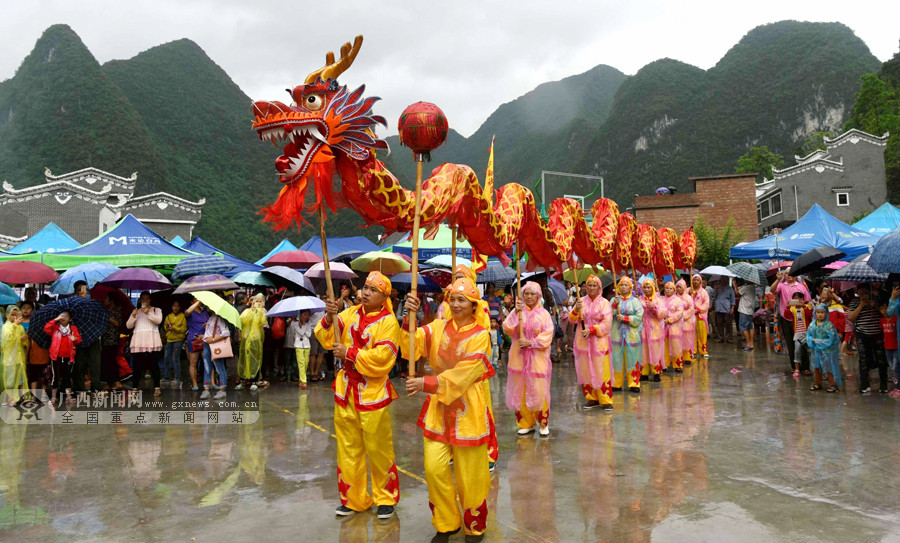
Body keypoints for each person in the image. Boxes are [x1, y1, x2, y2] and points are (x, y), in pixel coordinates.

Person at [403, 278, 494, 542]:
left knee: (471, 476)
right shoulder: (438, 327)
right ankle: (446, 522)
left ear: (473, 304)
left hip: (468, 410)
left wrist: (426, 383)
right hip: (438, 410)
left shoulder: (481, 335)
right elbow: (412, 346)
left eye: (461, 299)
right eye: (452, 298)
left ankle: (474, 524)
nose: (455, 304)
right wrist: (409, 317)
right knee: (434, 468)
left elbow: (465, 374)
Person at [315, 271, 401, 519]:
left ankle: (385, 498)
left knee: (378, 449)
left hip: (372, 394)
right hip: (346, 391)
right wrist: (331, 314)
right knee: (348, 449)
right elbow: (326, 336)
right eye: (365, 287)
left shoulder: (388, 322)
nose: (366, 292)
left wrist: (350, 353)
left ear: (384, 296)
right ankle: (354, 499)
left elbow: (384, 359)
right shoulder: (350, 313)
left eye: (373, 290)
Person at [504, 281, 554, 436]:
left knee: (539, 390)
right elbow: (507, 328)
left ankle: (543, 422)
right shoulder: (518, 312)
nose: (529, 297)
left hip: (537, 359)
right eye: (526, 293)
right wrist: (514, 313)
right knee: (521, 391)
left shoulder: (544, 314)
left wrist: (531, 342)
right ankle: (526, 422)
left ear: (538, 296)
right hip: (518, 358)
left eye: (533, 294)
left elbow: (547, 336)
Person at [569, 274, 614, 410]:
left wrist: (593, 330)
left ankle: (605, 399)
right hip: (583, 341)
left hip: (599, 342)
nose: (592, 288)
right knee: (586, 370)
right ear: (585, 287)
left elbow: (607, 323)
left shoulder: (604, 303)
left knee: (601, 371)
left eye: (595, 285)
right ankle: (591, 398)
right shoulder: (580, 301)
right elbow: (572, 319)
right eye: (589, 285)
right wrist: (576, 309)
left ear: (599, 288)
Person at [770, 271, 811, 373]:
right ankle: (794, 366)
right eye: (787, 273)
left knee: (804, 342)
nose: (789, 276)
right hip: (786, 318)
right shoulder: (781, 285)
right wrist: (778, 279)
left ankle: (806, 367)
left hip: (801, 318)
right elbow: (772, 290)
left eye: (791, 273)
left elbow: (808, 301)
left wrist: (802, 305)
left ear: (796, 275)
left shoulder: (801, 286)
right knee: (790, 343)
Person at [849, 284, 887, 393]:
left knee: (881, 360)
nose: (863, 295)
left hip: (877, 334)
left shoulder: (877, 299)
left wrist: (875, 305)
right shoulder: (855, 302)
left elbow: (885, 313)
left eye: (865, 292)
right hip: (862, 335)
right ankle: (864, 384)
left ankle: (883, 385)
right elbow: (851, 317)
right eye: (860, 293)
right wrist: (861, 305)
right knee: (863, 360)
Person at [127, 291, 163, 397]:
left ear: (150, 300)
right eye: (142, 298)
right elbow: (128, 326)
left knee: (154, 365)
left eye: (147, 298)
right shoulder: (136, 311)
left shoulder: (156, 310)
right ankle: (135, 388)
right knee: (137, 366)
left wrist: (148, 313)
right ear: (140, 300)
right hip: (139, 340)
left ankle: (157, 387)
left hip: (152, 340)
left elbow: (158, 320)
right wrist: (133, 316)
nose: (145, 300)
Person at [611, 277, 644, 393]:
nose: (623, 287)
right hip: (617, 335)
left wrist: (625, 318)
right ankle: (617, 383)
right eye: (621, 285)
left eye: (626, 285)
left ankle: (634, 383)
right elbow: (608, 314)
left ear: (630, 287)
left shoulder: (635, 301)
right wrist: (615, 306)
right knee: (617, 360)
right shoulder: (614, 300)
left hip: (632, 335)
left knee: (632, 359)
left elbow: (639, 317)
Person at [45, 310, 81, 405]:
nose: (63, 317)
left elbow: (79, 340)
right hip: (55, 357)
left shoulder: (73, 329)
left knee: (67, 377)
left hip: (69, 357)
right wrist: (55, 319)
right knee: (55, 377)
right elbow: (46, 328)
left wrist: (75, 339)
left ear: (70, 319)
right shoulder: (55, 328)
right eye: (61, 316)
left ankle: (68, 396)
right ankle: (53, 397)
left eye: (66, 316)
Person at [72, 280, 103, 392]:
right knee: (80, 364)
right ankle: (79, 387)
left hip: (93, 337)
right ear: (76, 291)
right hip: (79, 338)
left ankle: (96, 386)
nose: (84, 292)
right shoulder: (73, 305)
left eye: (85, 289)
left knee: (95, 363)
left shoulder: (93, 304)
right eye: (81, 290)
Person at [806, 304, 842, 393]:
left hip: (828, 351)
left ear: (826, 313)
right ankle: (818, 383)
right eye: (818, 312)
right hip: (816, 351)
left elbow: (832, 339)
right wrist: (813, 341)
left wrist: (817, 341)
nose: (820, 315)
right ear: (815, 313)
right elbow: (808, 337)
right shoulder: (812, 325)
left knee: (829, 367)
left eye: (822, 312)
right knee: (816, 367)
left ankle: (833, 385)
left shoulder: (829, 325)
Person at [237, 294, 267, 390]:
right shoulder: (247, 311)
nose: (258, 303)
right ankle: (243, 380)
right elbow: (241, 320)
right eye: (256, 301)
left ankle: (254, 381)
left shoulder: (263, 312)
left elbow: (262, 322)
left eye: (260, 301)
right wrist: (250, 308)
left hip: (256, 340)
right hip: (245, 339)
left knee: (255, 360)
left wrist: (260, 310)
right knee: (244, 359)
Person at [640, 279, 667, 382]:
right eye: (645, 287)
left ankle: (656, 372)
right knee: (644, 351)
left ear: (653, 288)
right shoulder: (639, 299)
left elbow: (664, 312)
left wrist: (654, 307)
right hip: (643, 328)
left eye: (649, 287)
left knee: (655, 350)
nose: (647, 289)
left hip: (655, 328)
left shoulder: (658, 300)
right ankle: (644, 372)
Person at [201, 308, 231, 400]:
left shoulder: (219, 318)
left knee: (219, 368)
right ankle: (206, 389)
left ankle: (222, 390)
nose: (207, 307)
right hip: (207, 344)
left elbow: (226, 333)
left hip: (215, 345)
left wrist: (212, 339)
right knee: (207, 367)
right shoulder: (211, 318)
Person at [1, 306, 29, 405]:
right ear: (6, 315)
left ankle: (23, 398)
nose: (14, 317)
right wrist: (14, 326)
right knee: (10, 381)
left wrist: (24, 339)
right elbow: (7, 339)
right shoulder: (6, 327)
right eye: (12, 315)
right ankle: (10, 399)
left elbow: (24, 344)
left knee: (21, 379)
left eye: (16, 315)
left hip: (19, 358)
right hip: (9, 358)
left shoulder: (20, 327)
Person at [185, 298, 209, 391]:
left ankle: (210, 383)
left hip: (204, 338)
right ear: (192, 302)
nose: (199, 301)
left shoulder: (204, 312)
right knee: (193, 363)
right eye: (196, 300)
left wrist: (207, 324)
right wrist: (197, 303)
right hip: (193, 339)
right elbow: (187, 312)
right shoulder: (190, 311)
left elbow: (209, 322)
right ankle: (194, 383)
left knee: (207, 362)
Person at [100, 294, 124, 390]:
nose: (105, 299)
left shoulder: (117, 310)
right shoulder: (106, 310)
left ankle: (116, 381)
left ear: (111, 300)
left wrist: (107, 318)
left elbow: (118, 323)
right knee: (106, 360)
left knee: (112, 359)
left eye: (106, 298)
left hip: (113, 338)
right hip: (105, 338)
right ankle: (109, 382)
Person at [162, 300, 187, 388]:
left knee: (176, 358)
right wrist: (168, 326)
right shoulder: (168, 316)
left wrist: (175, 328)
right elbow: (165, 327)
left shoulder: (183, 316)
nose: (175, 308)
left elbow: (184, 329)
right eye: (174, 306)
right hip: (169, 339)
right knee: (166, 358)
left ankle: (177, 378)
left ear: (180, 308)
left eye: (177, 306)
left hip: (178, 339)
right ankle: (166, 377)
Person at [662, 281, 685, 373]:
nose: (668, 290)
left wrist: (670, 320)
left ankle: (678, 365)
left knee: (676, 346)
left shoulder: (678, 300)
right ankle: (665, 364)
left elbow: (679, 313)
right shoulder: (661, 299)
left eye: (671, 288)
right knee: (664, 346)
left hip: (674, 326)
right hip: (663, 326)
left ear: (674, 290)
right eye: (667, 288)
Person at [789, 292, 812, 378]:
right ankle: (797, 369)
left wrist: (804, 306)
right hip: (797, 334)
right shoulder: (792, 309)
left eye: (800, 299)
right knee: (797, 351)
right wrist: (788, 307)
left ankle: (809, 368)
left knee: (809, 351)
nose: (798, 301)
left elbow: (810, 315)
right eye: (795, 299)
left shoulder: (807, 307)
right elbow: (787, 315)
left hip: (806, 333)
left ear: (803, 299)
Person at [290, 309, 314, 389]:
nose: (306, 316)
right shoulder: (295, 323)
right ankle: (304, 381)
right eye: (304, 314)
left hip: (307, 345)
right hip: (298, 345)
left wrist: (303, 325)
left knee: (306, 362)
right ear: (300, 315)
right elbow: (300, 333)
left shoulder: (309, 323)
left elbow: (309, 334)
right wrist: (303, 325)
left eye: (307, 315)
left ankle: (301, 379)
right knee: (301, 363)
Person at [879, 301, 898, 389]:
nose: (884, 311)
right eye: (882, 309)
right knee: (891, 366)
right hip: (887, 347)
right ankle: (896, 383)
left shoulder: (896, 319)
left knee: (895, 366)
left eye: (886, 308)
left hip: (896, 347)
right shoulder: (882, 321)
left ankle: (897, 386)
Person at [691, 274, 710, 358]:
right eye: (694, 279)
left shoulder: (704, 292)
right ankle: (693, 350)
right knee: (692, 334)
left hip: (701, 316)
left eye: (697, 280)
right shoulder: (689, 290)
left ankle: (703, 351)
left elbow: (706, 304)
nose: (695, 281)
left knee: (702, 334)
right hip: (690, 316)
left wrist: (698, 310)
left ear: (700, 281)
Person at [676, 279, 696, 364]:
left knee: (687, 340)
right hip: (677, 322)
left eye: (680, 287)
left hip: (686, 322)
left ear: (684, 287)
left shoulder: (688, 297)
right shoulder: (675, 297)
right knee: (678, 341)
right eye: (677, 287)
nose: (678, 289)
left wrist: (682, 315)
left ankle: (687, 357)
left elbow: (691, 309)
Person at [736, 279, 757, 352]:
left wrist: (734, 284)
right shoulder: (752, 287)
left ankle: (748, 344)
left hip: (744, 310)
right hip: (750, 310)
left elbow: (737, 293)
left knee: (743, 327)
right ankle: (751, 344)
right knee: (750, 327)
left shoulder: (747, 287)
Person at [713, 277, 735, 344]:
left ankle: (729, 338)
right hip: (719, 308)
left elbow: (733, 299)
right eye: (722, 279)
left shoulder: (730, 289)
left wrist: (732, 308)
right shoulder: (717, 288)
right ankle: (720, 337)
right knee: (719, 324)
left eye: (725, 279)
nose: (723, 280)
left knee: (728, 324)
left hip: (727, 308)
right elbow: (713, 296)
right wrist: (716, 290)